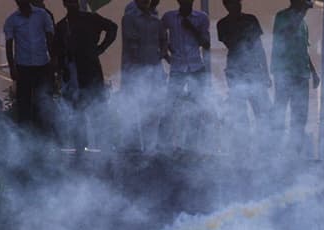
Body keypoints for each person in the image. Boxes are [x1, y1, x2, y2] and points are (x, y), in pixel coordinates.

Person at [53, 0, 117, 149]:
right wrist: (62, 71)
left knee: (97, 108)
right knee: (76, 110)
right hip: (73, 72)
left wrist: (101, 48)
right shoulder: (62, 26)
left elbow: (112, 28)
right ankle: (81, 146)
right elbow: (57, 52)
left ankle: (103, 145)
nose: (71, 4)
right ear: (65, 4)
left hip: (90, 70)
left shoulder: (90, 18)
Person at [160, 0, 211, 147]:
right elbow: (159, 35)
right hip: (177, 68)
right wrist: (167, 52)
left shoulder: (201, 17)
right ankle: (165, 143)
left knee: (198, 106)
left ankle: (192, 143)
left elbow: (206, 44)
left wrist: (192, 29)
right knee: (170, 105)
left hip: (196, 67)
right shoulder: (168, 17)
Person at [270, 0, 319, 150]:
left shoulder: (303, 23)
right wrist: (299, 17)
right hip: (284, 72)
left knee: (300, 114)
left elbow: (304, 49)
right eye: (304, 6)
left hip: (301, 74)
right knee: (281, 110)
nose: (305, 10)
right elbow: (285, 36)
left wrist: (313, 71)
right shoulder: (282, 17)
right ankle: (275, 147)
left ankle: (295, 149)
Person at [217, 0, 271, 128]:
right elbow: (230, 44)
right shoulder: (223, 24)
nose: (237, 5)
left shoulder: (251, 19)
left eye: (238, 2)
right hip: (235, 71)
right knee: (240, 112)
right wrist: (245, 37)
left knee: (262, 110)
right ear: (226, 5)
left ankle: (265, 142)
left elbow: (259, 48)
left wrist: (266, 73)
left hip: (254, 70)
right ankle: (243, 142)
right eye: (233, 3)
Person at [4, 0, 56, 130]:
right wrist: (12, 67)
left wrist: (54, 60)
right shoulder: (12, 20)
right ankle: (25, 136)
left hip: (42, 64)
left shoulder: (42, 15)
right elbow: (9, 45)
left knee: (43, 101)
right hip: (23, 66)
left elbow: (50, 38)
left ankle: (44, 133)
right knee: (24, 103)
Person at [121, 0, 165, 150]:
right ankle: (133, 146)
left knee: (152, 107)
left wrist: (161, 55)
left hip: (153, 69)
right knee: (135, 107)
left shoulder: (155, 20)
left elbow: (163, 39)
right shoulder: (130, 17)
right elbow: (132, 43)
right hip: (136, 70)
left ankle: (150, 145)